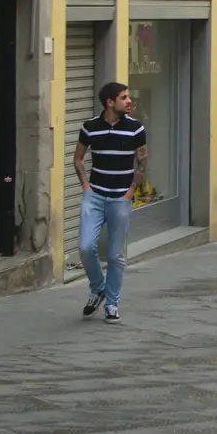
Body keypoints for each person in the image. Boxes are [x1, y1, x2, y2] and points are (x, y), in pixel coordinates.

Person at [73, 81, 147, 323]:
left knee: (116, 255)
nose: (129, 101)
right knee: (85, 247)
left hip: (120, 199)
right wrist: (86, 188)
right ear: (109, 103)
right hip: (94, 196)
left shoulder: (136, 129)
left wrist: (130, 192)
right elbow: (78, 158)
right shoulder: (90, 127)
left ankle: (112, 304)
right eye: (124, 97)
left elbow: (142, 162)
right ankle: (98, 288)